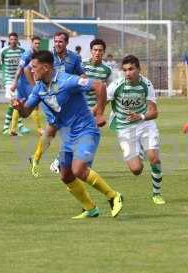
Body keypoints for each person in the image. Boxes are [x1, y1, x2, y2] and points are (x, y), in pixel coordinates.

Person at [13, 50, 123, 219]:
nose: (32, 71)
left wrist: (99, 113)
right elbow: (26, 112)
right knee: (66, 175)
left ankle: (114, 196)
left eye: (34, 67)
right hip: (69, 136)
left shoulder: (67, 80)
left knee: (78, 169)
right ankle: (90, 208)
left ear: (46, 67)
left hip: (86, 130)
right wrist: (20, 108)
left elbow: (99, 86)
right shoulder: (39, 88)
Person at [107, 55, 165, 205]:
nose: (128, 73)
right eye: (125, 70)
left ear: (139, 69)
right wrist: (96, 115)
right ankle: (138, 150)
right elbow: (102, 100)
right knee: (136, 170)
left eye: (131, 69)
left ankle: (156, 194)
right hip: (125, 128)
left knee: (154, 158)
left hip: (145, 124)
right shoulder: (116, 85)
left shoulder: (147, 84)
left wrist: (140, 116)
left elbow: (154, 112)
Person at [30, 31, 84, 176]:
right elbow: (35, 73)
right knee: (70, 130)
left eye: (60, 41)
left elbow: (81, 74)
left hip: (67, 99)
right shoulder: (47, 57)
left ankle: (36, 158)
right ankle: (58, 162)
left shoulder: (74, 58)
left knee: (52, 131)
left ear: (66, 43)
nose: (57, 44)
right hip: (51, 99)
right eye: (55, 41)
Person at [0, 32, 28, 136]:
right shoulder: (3, 51)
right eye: (11, 39)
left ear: (17, 40)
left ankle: (14, 127)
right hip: (9, 80)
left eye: (15, 39)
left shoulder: (22, 51)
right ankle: (11, 127)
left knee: (17, 103)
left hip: (20, 80)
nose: (13, 41)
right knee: (14, 102)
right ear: (9, 41)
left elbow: (27, 67)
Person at [9, 36, 44, 136]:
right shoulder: (27, 55)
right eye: (35, 43)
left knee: (18, 104)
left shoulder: (36, 55)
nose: (37, 45)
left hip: (28, 83)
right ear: (31, 44)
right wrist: (15, 82)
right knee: (35, 104)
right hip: (24, 84)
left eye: (38, 43)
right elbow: (20, 69)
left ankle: (13, 129)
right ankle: (39, 129)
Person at [82, 39, 112, 109]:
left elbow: (110, 92)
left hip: (94, 110)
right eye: (95, 50)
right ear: (91, 51)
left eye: (100, 50)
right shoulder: (81, 64)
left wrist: (97, 109)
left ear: (104, 52)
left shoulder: (108, 70)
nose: (97, 53)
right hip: (78, 108)